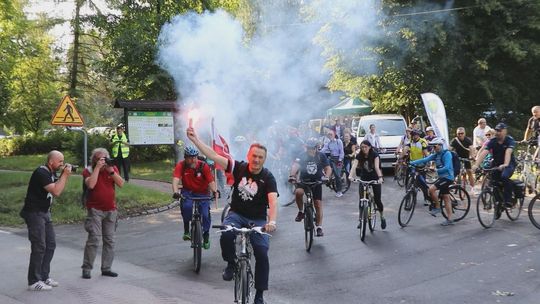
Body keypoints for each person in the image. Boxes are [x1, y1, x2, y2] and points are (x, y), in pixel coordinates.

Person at [186, 126, 278, 304]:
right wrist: (195, 140)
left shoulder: (268, 178)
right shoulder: (238, 167)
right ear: (248, 156)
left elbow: (273, 202)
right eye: (254, 156)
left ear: (264, 160)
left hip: (257, 219)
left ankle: (259, 295)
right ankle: (230, 262)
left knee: (261, 253)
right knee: (226, 233)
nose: (256, 160)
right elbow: (213, 155)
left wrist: (272, 221)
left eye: (260, 157)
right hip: (236, 214)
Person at [20, 150, 72, 291]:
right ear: (51, 162)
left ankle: (43, 276)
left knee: (50, 244)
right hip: (34, 213)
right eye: (60, 161)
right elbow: (56, 191)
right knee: (39, 246)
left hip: (44, 213)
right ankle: (33, 281)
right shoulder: (41, 172)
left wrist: (63, 175)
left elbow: (57, 186)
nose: (62, 164)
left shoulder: (51, 173)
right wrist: (65, 175)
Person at [81, 148, 124, 279]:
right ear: (94, 160)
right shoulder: (88, 170)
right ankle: (87, 268)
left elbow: (121, 183)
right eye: (100, 159)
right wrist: (97, 169)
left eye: (105, 158)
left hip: (111, 210)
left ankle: (106, 268)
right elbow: (91, 185)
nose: (103, 161)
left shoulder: (112, 169)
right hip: (95, 210)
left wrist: (111, 172)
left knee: (110, 240)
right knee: (94, 238)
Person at [172, 146, 217, 249]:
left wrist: (214, 191)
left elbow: (211, 181)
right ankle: (187, 230)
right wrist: (175, 192)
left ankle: (206, 235)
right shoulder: (181, 166)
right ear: (185, 158)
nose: (193, 160)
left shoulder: (203, 166)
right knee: (186, 207)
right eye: (190, 157)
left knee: (205, 215)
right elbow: (175, 179)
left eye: (195, 157)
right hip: (188, 192)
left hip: (203, 192)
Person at [289, 138, 332, 236]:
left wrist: (327, 176)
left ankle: (319, 227)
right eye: (308, 148)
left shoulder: (321, 156)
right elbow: (295, 165)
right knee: (298, 193)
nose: (310, 150)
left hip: (317, 182)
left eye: (312, 148)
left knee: (317, 203)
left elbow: (328, 168)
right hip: (304, 181)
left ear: (317, 148)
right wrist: (292, 175)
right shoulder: (301, 156)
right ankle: (301, 212)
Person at [410, 138, 456, 226]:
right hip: (442, 177)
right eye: (432, 147)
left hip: (448, 177)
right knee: (446, 197)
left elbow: (447, 167)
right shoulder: (436, 154)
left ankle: (438, 207)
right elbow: (425, 160)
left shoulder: (447, 154)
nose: (433, 148)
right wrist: (412, 162)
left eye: (435, 146)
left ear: (440, 145)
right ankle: (450, 219)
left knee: (431, 189)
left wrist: (435, 170)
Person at [475, 123, 517, 208]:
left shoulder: (509, 140)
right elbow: (484, 152)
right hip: (496, 164)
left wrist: (505, 164)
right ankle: (498, 204)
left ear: (505, 131)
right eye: (497, 130)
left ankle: (508, 200)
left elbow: (508, 152)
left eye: (500, 131)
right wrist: (476, 165)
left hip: (509, 164)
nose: (498, 132)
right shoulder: (492, 141)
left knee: (504, 176)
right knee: (493, 182)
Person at [349, 140, 386, 229]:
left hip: (375, 178)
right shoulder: (359, 155)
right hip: (364, 178)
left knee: (377, 200)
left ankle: (382, 216)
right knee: (362, 199)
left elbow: (377, 167)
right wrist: (350, 176)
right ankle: (361, 219)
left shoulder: (375, 155)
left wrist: (380, 178)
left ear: (369, 147)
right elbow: (354, 166)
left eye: (365, 147)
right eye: (362, 147)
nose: (364, 149)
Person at [320, 130, 345, 197]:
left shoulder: (338, 141)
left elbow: (342, 152)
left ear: (334, 135)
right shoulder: (328, 142)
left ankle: (339, 191)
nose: (330, 136)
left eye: (331, 134)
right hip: (331, 158)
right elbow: (324, 149)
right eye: (329, 135)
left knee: (337, 175)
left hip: (338, 159)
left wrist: (340, 160)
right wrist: (318, 153)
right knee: (323, 165)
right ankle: (327, 178)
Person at [450, 127, 475, 193]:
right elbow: (449, 149)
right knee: (454, 171)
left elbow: (471, 148)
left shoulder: (468, 140)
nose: (460, 135)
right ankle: (453, 183)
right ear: (456, 134)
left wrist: (472, 156)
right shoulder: (454, 140)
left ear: (464, 133)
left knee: (469, 171)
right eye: (459, 133)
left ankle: (472, 188)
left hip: (466, 157)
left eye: (462, 133)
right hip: (457, 158)